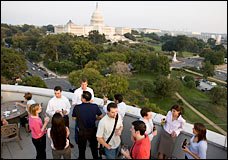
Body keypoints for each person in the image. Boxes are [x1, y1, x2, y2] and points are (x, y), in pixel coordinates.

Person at [72, 91, 103, 159]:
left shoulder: (77, 107)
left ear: (83, 99)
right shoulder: (95, 106)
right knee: (94, 148)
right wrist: (95, 118)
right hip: (92, 130)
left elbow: (74, 118)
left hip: (82, 131)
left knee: (82, 148)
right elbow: (101, 116)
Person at [72, 78, 94, 144]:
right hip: (79, 112)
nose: (84, 86)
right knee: (77, 127)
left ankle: (88, 140)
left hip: (88, 112)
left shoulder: (90, 90)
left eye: (85, 84)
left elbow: (91, 100)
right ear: (80, 84)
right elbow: (74, 103)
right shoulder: (77, 92)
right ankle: (77, 140)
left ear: (87, 84)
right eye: (82, 84)